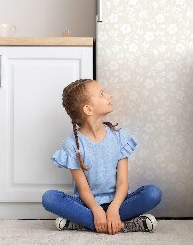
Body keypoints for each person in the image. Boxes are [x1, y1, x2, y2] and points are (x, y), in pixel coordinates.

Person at [42, 79, 162, 235]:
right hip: (88, 204)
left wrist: (114, 208)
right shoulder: (72, 144)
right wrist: (96, 209)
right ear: (88, 109)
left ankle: (86, 223)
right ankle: (124, 225)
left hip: (119, 202)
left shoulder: (119, 136)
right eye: (101, 94)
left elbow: (123, 182)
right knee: (49, 198)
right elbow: (84, 189)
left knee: (153, 193)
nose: (108, 95)